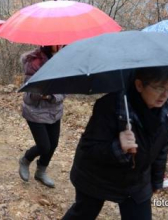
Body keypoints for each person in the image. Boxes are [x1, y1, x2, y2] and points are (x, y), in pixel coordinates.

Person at [62, 67, 168, 220]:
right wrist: (118, 147)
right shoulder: (111, 106)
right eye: (159, 88)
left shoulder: (164, 113)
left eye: (167, 88)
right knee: (83, 213)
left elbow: (161, 148)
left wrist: (156, 180)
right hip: (97, 177)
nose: (164, 95)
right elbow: (89, 149)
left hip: (136, 181)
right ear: (139, 85)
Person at [18, 45, 64, 188]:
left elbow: (67, 88)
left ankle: (41, 171)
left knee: (53, 143)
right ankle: (25, 160)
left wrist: (52, 96)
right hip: (35, 111)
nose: (60, 45)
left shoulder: (65, 59)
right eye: (57, 42)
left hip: (54, 109)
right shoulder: (34, 62)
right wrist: (41, 93)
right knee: (44, 146)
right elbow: (30, 90)